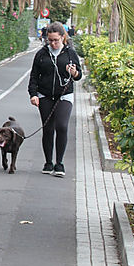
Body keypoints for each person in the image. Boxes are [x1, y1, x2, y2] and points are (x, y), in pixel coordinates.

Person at [28, 20, 82, 177]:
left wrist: (74, 73)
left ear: (63, 37)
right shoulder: (41, 54)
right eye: (50, 40)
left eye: (56, 40)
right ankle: (48, 162)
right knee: (48, 128)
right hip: (45, 95)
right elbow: (34, 76)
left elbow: (78, 75)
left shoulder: (70, 54)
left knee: (62, 126)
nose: (53, 43)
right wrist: (33, 94)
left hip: (64, 95)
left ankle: (59, 163)